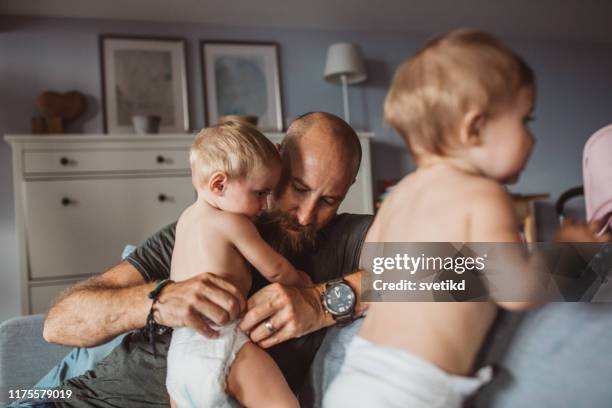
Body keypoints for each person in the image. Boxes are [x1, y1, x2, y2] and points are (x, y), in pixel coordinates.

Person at [323, 29, 606, 408]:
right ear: (475, 128)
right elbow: (517, 291)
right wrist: (571, 252)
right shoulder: (484, 195)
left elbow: (377, 273)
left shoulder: (399, 196)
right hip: (413, 392)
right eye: (526, 120)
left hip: (355, 379)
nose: (532, 138)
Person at [40, 112, 372, 407]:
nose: (307, 214)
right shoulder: (204, 224)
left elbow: (423, 271)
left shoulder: (344, 238)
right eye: (298, 187)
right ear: (275, 158)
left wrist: (319, 304)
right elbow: (58, 325)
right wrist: (157, 302)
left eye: (329, 200)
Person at [167, 122, 311, 407]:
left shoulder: (185, 221)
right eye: (260, 193)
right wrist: (302, 282)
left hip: (179, 356)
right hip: (222, 342)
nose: (266, 204)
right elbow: (275, 269)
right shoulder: (232, 222)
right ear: (219, 184)